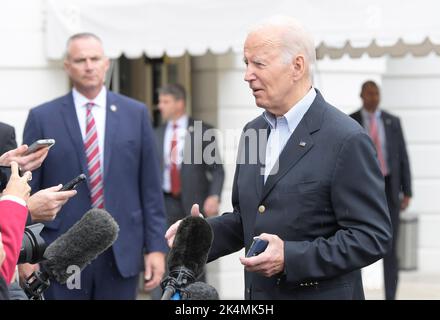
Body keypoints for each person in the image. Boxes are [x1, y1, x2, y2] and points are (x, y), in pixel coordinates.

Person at [166, 16, 392, 300]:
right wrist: (198, 235)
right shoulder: (253, 132)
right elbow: (246, 219)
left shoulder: (346, 138)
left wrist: (290, 257)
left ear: (297, 66)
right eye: (246, 63)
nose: (248, 74)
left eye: (258, 64)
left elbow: (371, 237)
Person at [23, 32, 167, 299]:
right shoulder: (43, 117)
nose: (88, 66)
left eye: (94, 58)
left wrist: (156, 248)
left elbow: (150, 188)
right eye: (80, 60)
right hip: (61, 249)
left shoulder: (135, 114)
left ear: (106, 63)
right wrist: (26, 253)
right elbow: (28, 189)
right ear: (67, 66)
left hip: (121, 247)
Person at [350, 80, 412, 300]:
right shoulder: (352, 121)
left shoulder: (392, 121)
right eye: (369, 93)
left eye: (376, 93)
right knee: (355, 240)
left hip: (389, 188)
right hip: (362, 189)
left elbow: (402, 157)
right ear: (361, 95)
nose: (374, 97)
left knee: (391, 247)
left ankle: (391, 296)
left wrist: (408, 191)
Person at [155, 83, 224, 226]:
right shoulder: (156, 133)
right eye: (160, 101)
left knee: (194, 246)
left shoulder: (202, 130)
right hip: (165, 204)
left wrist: (214, 196)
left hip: (195, 203)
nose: (160, 106)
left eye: (165, 102)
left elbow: (217, 170)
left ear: (180, 104)